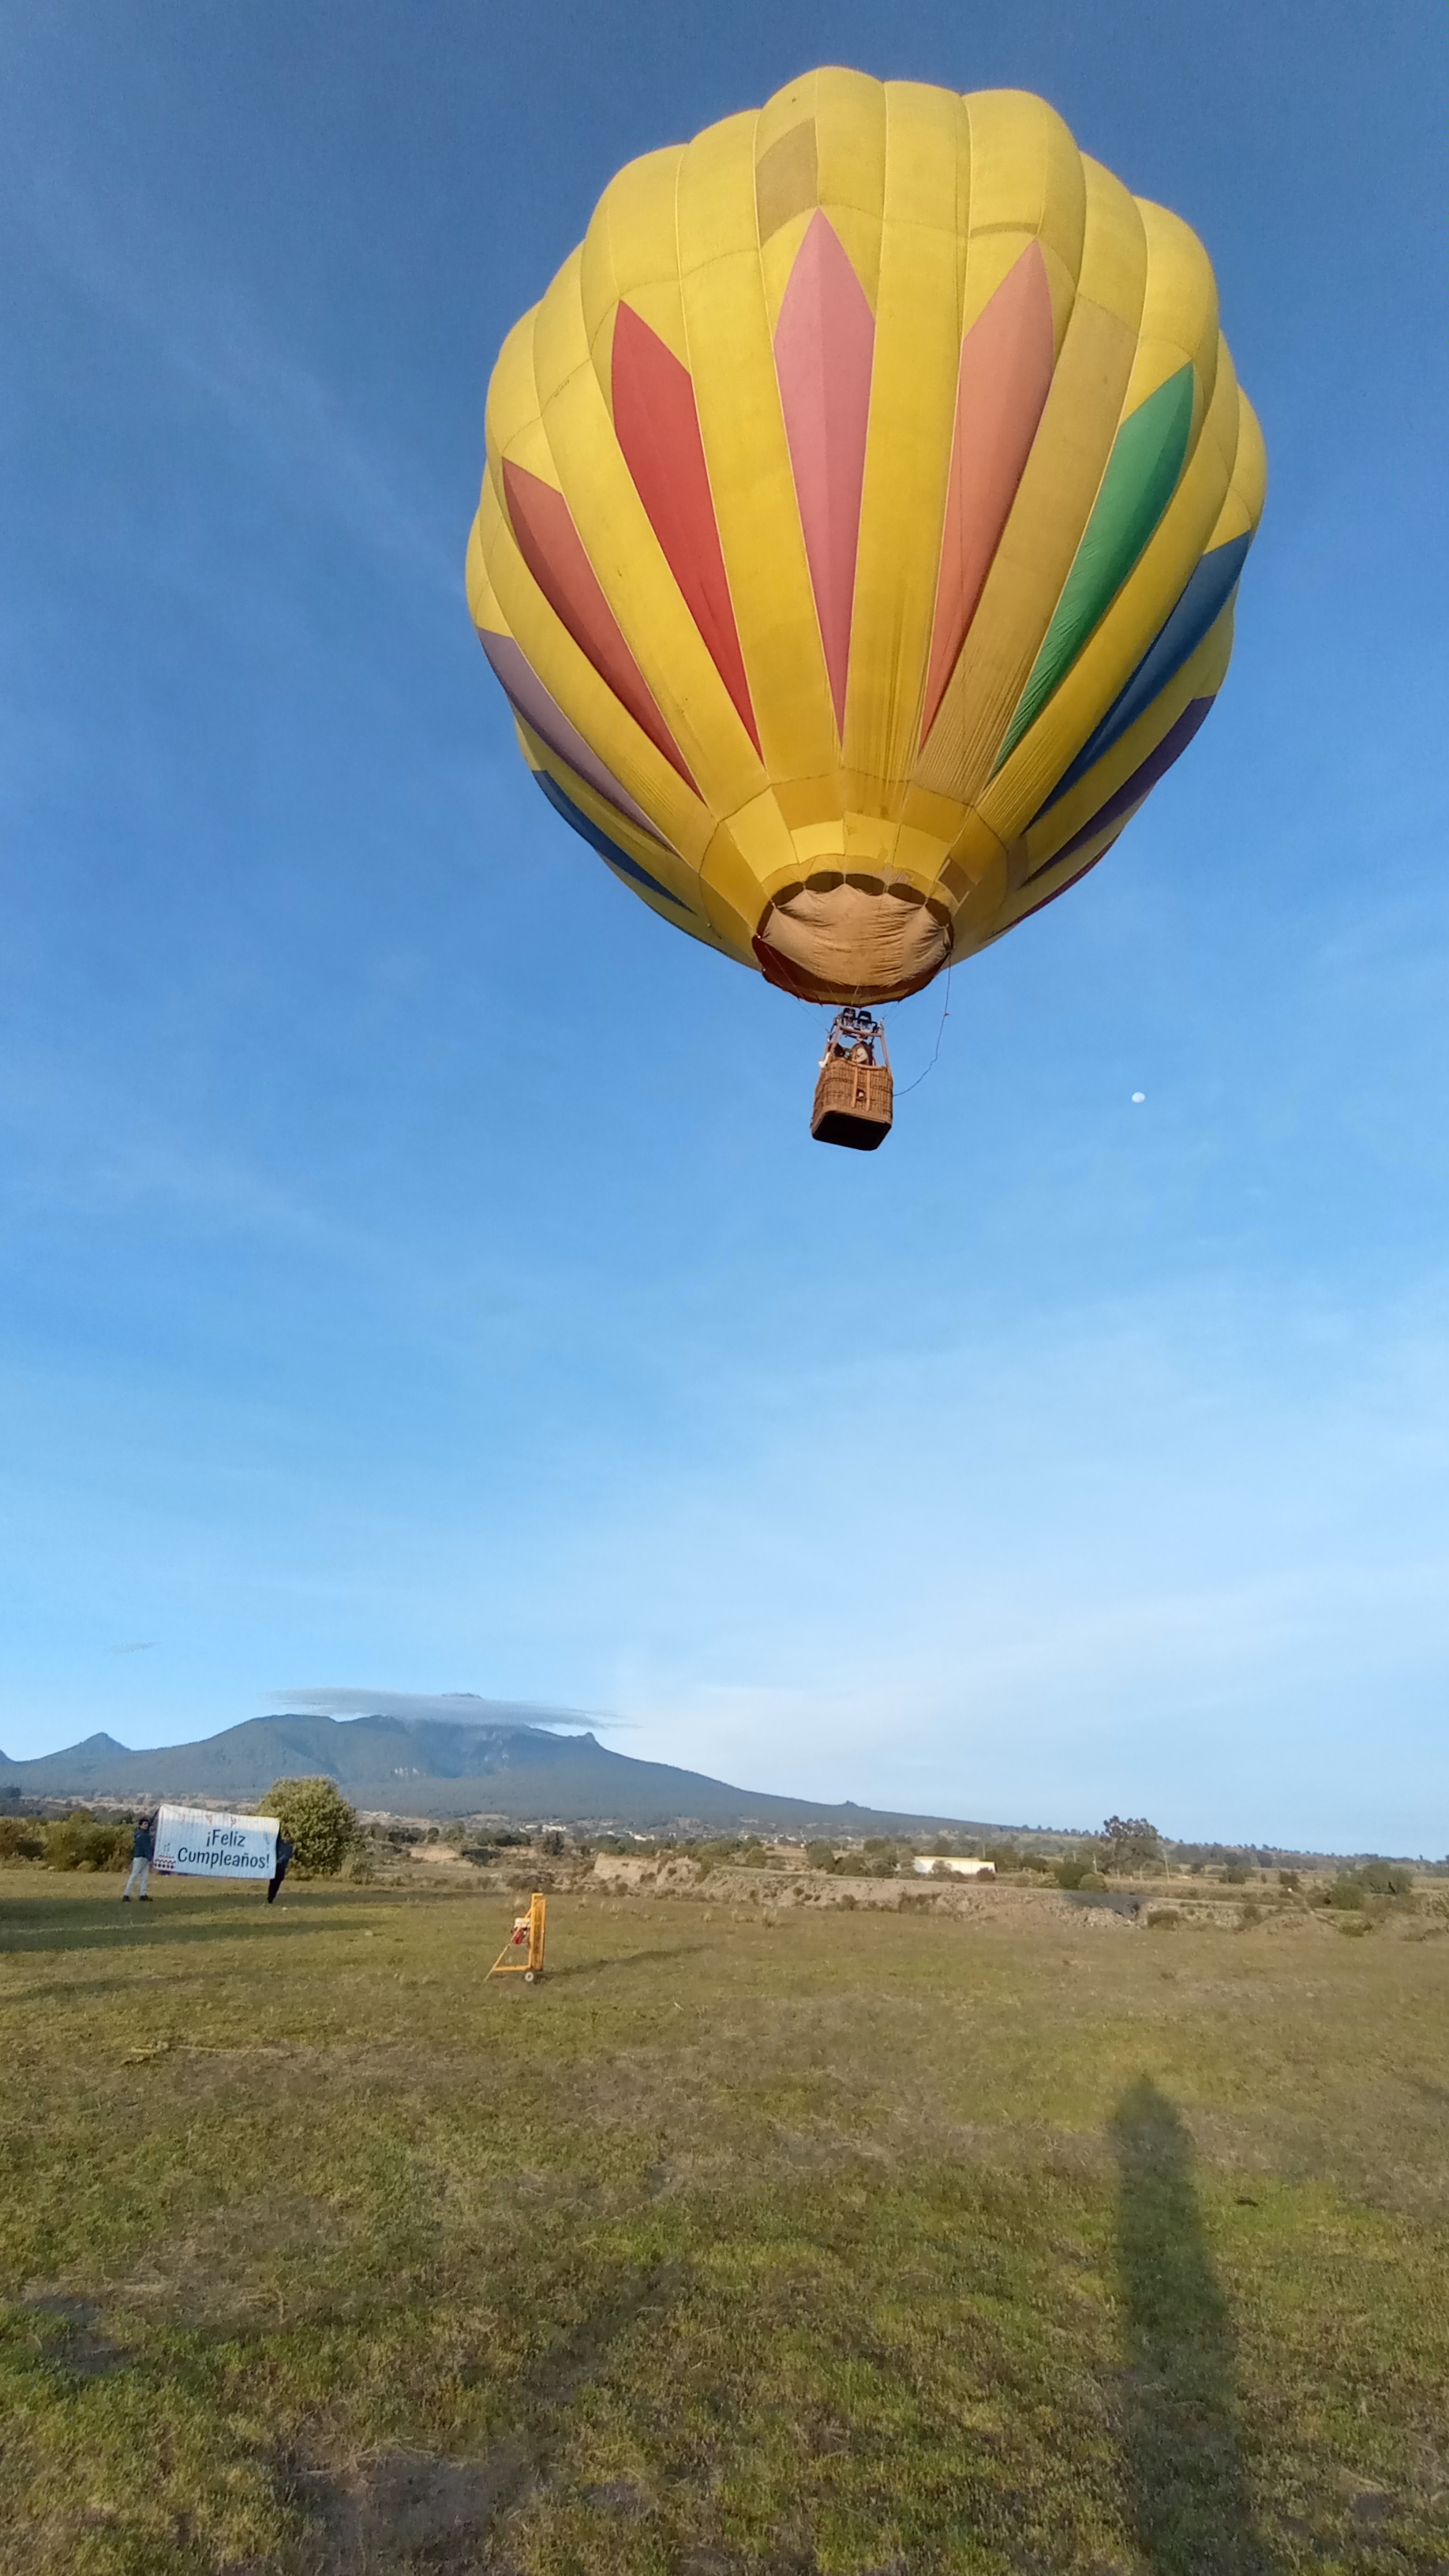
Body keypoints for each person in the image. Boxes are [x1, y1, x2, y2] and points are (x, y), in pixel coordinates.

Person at [121, 1812, 155, 1902]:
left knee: (144, 1877)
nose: (146, 1826)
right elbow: (146, 1848)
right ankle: (126, 1894)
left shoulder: (138, 1834)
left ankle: (142, 1894)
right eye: (145, 1824)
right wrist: (150, 1858)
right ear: (140, 1825)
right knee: (135, 1875)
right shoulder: (143, 1836)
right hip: (141, 1857)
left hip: (143, 1857)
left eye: (147, 1824)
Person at [266, 1834, 294, 1905]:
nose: (287, 1838)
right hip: (275, 1866)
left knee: (277, 1883)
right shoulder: (279, 1843)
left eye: (288, 1837)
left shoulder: (289, 1846)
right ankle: (270, 1897)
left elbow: (287, 1856)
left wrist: (279, 1861)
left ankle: (272, 1897)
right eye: (286, 1836)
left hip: (281, 1867)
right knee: (273, 1882)